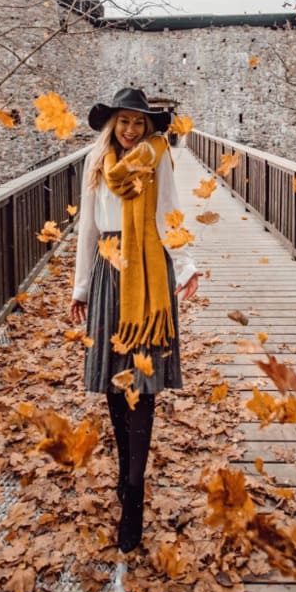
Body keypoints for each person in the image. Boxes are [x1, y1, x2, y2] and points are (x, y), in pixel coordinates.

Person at [69, 88, 199, 553]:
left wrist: (185, 266)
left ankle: (135, 494)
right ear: (112, 124)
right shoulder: (95, 161)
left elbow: (169, 212)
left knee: (141, 387)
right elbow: (87, 226)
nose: (130, 130)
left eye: (138, 124)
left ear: (148, 128)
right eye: (124, 122)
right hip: (108, 269)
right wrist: (80, 287)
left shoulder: (157, 157)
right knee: (112, 382)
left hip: (148, 272)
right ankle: (127, 472)